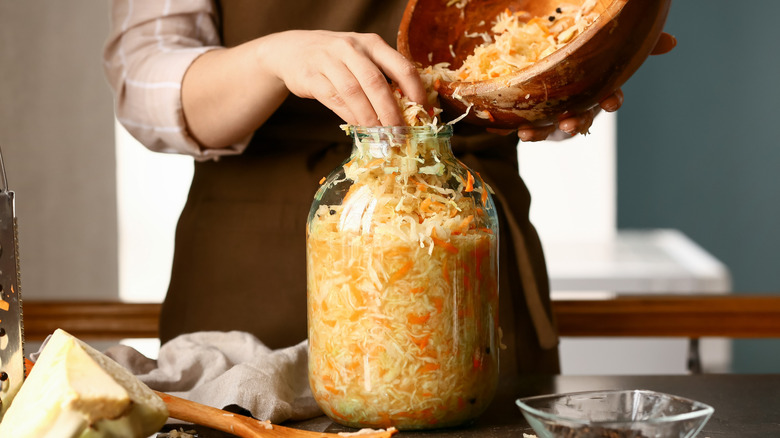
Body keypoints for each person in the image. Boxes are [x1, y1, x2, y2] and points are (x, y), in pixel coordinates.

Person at [103, 0, 674, 376]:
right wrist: (271, 58)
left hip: (468, 257)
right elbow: (143, 82)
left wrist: (555, 79)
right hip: (251, 276)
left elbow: (535, 22)